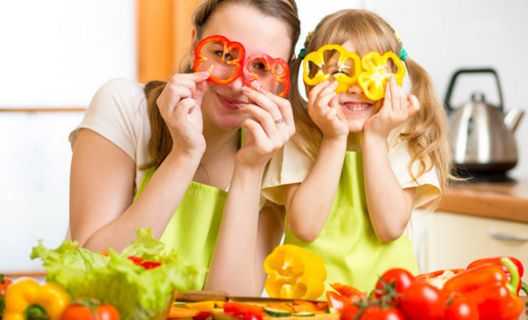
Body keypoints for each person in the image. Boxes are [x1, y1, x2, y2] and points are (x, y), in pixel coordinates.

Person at [68, 0, 300, 295]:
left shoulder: (273, 152)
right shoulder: (124, 106)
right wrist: (184, 154)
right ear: (195, 44)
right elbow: (90, 274)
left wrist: (250, 170)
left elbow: (231, 306)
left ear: (285, 75)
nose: (238, 84)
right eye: (223, 54)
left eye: (262, 66)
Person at [263, 9, 453, 292]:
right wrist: (333, 138)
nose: (356, 87)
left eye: (370, 72)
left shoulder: (403, 136)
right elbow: (304, 226)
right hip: (311, 300)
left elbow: (389, 228)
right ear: (312, 76)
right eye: (340, 72)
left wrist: (375, 138)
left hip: (388, 301)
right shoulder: (297, 135)